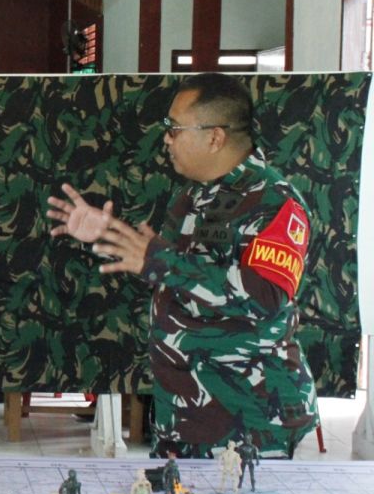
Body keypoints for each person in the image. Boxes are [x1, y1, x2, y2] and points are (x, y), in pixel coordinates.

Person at [47, 72, 318, 459]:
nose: (166, 139)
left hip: (252, 418)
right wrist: (104, 237)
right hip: (186, 411)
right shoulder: (191, 197)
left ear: (215, 136)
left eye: (174, 129)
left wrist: (161, 262)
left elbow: (266, 296)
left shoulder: (274, 202)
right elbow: (168, 275)